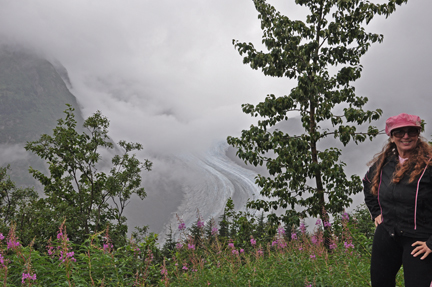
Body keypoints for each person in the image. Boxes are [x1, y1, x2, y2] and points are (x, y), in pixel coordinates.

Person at [364, 113, 432, 287]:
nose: (406, 136)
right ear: (392, 137)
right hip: (387, 234)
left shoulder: (429, 165)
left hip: (418, 240)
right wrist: (376, 212)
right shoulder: (384, 163)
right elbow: (367, 183)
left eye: (412, 131)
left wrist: (431, 243)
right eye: (400, 132)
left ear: (418, 135)